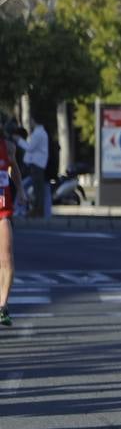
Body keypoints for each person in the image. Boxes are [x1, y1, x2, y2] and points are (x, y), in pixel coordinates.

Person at [0, 128, 27, 326]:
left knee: (7, 258)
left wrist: (21, 192)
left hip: (3, 210)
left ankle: (3, 305)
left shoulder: (8, 147)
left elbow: (14, 168)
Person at [20, 119, 49, 218]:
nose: (30, 123)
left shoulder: (38, 133)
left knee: (38, 189)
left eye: (31, 121)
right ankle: (37, 210)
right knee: (38, 189)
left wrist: (18, 140)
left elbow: (30, 148)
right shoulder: (42, 133)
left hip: (37, 164)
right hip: (39, 164)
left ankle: (37, 210)